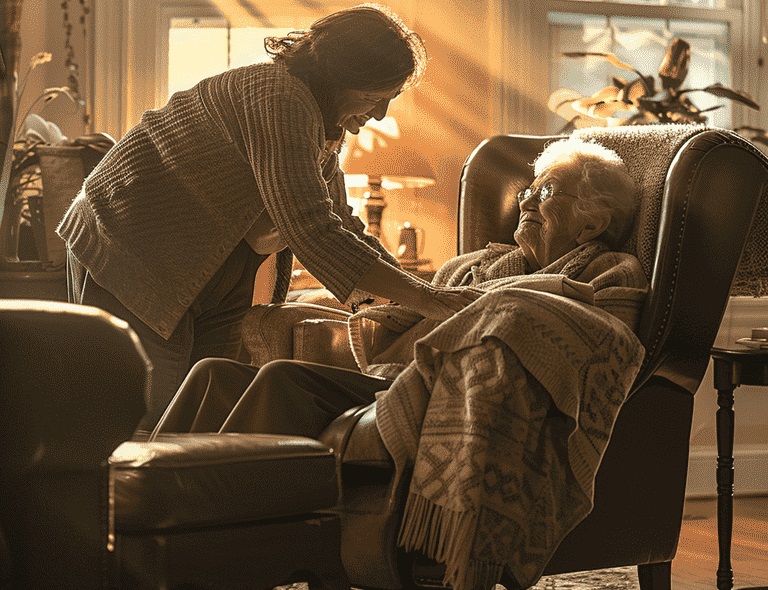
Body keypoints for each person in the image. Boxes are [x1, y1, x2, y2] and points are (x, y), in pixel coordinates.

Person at [58, 4, 476, 432]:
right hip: (134, 241)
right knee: (146, 417)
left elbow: (342, 224)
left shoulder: (322, 125)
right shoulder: (279, 95)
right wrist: (424, 298)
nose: (381, 114)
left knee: (205, 412)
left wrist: (423, 293)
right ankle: (127, 498)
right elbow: (311, 228)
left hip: (213, 268)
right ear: (341, 75)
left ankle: (186, 495)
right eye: (375, 97)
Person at [151, 136, 646, 438]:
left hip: (435, 386)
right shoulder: (476, 264)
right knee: (215, 371)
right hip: (393, 371)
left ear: (590, 224)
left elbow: (606, 347)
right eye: (530, 190)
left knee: (283, 379)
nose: (526, 202)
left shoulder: (610, 270)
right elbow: (405, 303)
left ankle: (223, 534)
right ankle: (138, 509)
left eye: (548, 192)